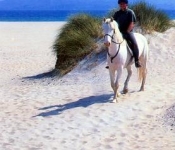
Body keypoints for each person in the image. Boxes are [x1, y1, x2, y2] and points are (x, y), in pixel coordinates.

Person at [113, 0, 142, 68]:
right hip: (119, 33)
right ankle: (110, 61)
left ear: (126, 4)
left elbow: (132, 23)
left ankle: (136, 60)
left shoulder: (130, 12)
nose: (121, 5)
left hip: (128, 32)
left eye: (123, 4)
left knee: (134, 43)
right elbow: (114, 23)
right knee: (111, 43)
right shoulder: (117, 13)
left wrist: (127, 31)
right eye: (120, 4)